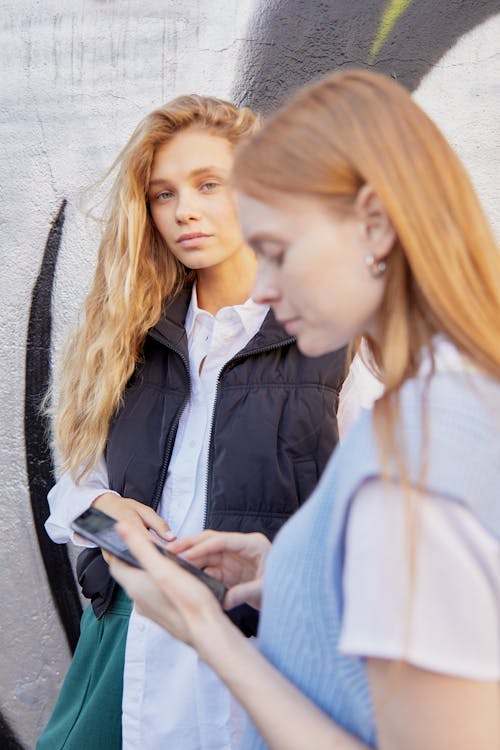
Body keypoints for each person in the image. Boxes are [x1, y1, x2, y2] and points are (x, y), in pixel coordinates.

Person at [109, 69, 500, 750]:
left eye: (278, 252)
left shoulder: (406, 464)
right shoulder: (455, 407)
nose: (261, 286)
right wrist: (283, 573)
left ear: (375, 223)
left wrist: (204, 630)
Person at [37, 95, 348, 750]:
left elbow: (380, 514)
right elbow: (73, 484)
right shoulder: (126, 331)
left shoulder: (332, 332)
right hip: (126, 641)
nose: (185, 211)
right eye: (162, 194)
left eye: (210, 184)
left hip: (262, 653)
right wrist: (106, 507)